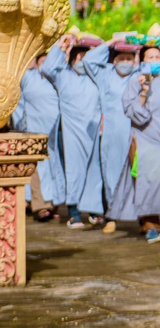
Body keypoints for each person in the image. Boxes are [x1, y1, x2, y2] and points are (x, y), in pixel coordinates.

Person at [107, 45, 160, 243]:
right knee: (147, 182)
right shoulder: (133, 83)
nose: (154, 61)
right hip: (144, 140)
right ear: (142, 61)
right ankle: (150, 223)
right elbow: (136, 115)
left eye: (157, 57)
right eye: (149, 57)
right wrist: (143, 91)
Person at [40, 38, 103, 228]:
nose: (83, 62)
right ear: (73, 58)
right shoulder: (63, 76)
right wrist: (60, 47)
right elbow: (46, 69)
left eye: (87, 57)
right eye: (80, 57)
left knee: (94, 171)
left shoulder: (97, 76)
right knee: (74, 171)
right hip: (70, 131)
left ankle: (94, 211)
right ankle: (74, 213)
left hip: (93, 131)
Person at [82, 38, 139, 234]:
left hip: (137, 132)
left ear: (135, 61)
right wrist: (111, 42)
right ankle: (112, 217)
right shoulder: (105, 75)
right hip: (112, 134)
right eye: (121, 57)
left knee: (138, 173)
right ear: (114, 60)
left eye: (129, 58)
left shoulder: (140, 75)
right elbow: (89, 60)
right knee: (111, 175)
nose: (125, 62)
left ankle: (145, 219)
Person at [11, 54, 65, 221]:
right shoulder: (25, 77)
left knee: (53, 166)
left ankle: (52, 203)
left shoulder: (53, 79)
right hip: (29, 129)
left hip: (52, 131)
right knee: (36, 168)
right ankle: (39, 205)